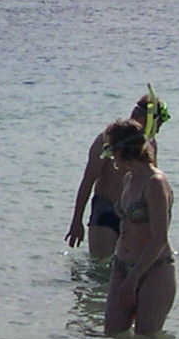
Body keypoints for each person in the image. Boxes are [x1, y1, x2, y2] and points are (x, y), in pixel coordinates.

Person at [67, 93, 163, 258]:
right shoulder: (109, 140)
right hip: (107, 208)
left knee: (130, 265)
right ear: (147, 118)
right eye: (159, 123)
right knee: (101, 264)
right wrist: (76, 221)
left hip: (135, 212)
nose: (160, 128)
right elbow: (88, 180)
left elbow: (151, 184)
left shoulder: (150, 144)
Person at [102, 119, 175, 336]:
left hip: (154, 269)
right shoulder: (128, 179)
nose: (110, 156)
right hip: (122, 266)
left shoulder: (155, 183)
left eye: (110, 150)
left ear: (122, 149)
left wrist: (134, 277)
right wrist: (125, 274)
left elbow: (159, 237)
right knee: (112, 335)